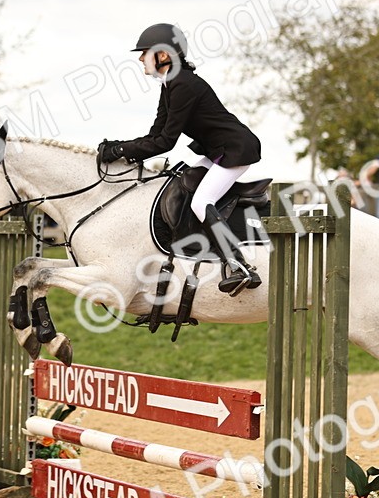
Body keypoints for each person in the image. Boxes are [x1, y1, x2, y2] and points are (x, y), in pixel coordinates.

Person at [97, 23, 262, 295]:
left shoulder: (183, 84)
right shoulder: (171, 84)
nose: (140, 59)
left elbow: (165, 142)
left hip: (235, 150)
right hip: (218, 150)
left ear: (163, 55)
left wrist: (120, 151)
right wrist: (121, 147)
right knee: (184, 185)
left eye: (145, 53)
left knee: (201, 201)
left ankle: (238, 266)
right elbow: (156, 134)